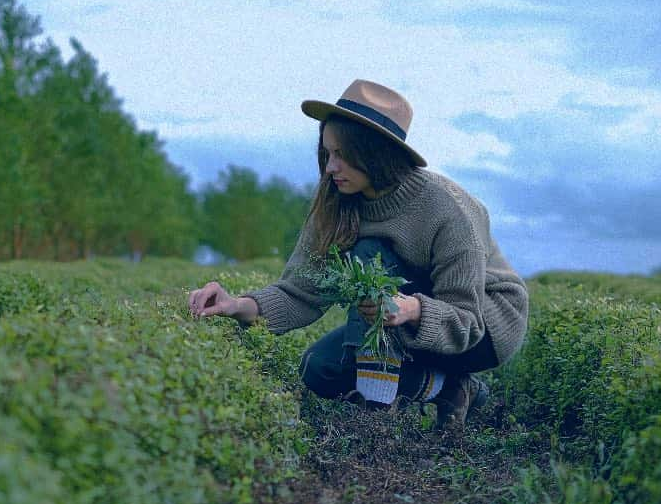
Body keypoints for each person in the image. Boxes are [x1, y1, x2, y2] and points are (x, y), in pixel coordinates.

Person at [188, 79, 529, 430]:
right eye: (327, 153)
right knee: (320, 367)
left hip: (482, 327)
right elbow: (299, 292)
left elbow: (467, 323)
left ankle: (374, 416)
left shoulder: (448, 210)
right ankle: (451, 389)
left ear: (376, 153)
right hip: (407, 317)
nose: (331, 167)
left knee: (369, 253)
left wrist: (411, 309)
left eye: (342, 155)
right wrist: (235, 305)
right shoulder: (336, 202)